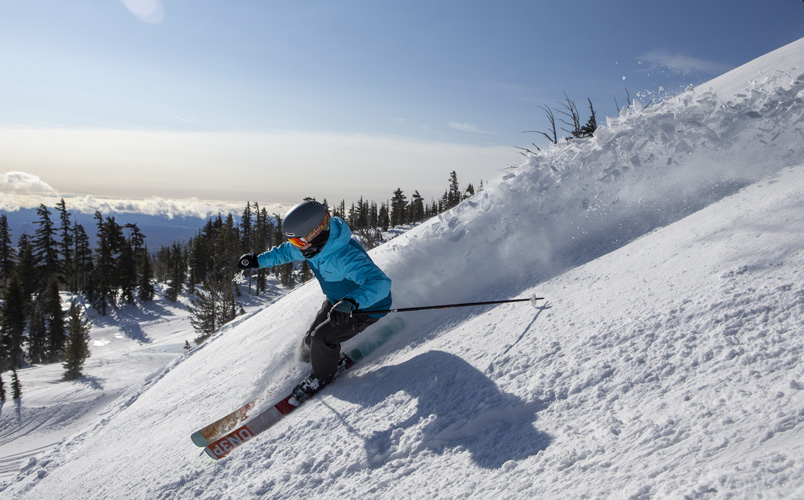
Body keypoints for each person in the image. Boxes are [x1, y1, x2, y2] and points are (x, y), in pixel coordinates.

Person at [237, 200, 392, 403]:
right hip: (337, 301)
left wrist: (352, 302)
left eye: (299, 242)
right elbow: (284, 252)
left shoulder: (344, 256)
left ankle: (322, 375)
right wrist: (258, 260)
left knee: (322, 338)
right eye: (295, 242)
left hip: (366, 306)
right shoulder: (310, 246)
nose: (297, 248)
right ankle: (310, 364)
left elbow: (380, 282)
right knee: (309, 340)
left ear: (316, 232)